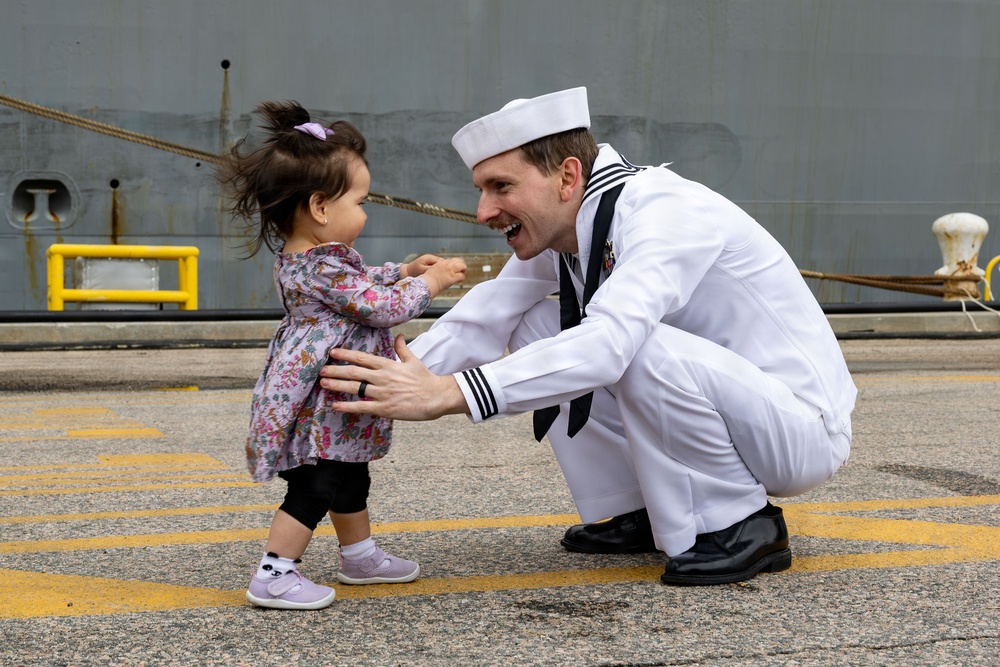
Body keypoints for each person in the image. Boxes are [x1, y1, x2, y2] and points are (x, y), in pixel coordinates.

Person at [318, 87, 856, 586]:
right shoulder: (571, 228)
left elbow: (608, 346)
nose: (483, 211)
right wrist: (359, 387)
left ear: (567, 177)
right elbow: (487, 314)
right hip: (734, 411)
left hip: (797, 431)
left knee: (627, 344)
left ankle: (740, 522)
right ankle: (640, 506)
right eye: (481, 190)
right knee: (534, 324)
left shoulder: (665, 211)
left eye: (501, 187)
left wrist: (449, 394)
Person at [217, 100, 467, 609]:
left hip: (335, 397)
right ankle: (274, 573)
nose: (366, 211)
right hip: (318, 405)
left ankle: (360, 555)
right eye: (360, 200)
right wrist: (429, 282)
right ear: (320, 207)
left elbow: (361, 283)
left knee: (351, 472)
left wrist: (401, 269)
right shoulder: (319, 268)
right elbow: (377, 307)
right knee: (316, 485)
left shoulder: (316, 260)